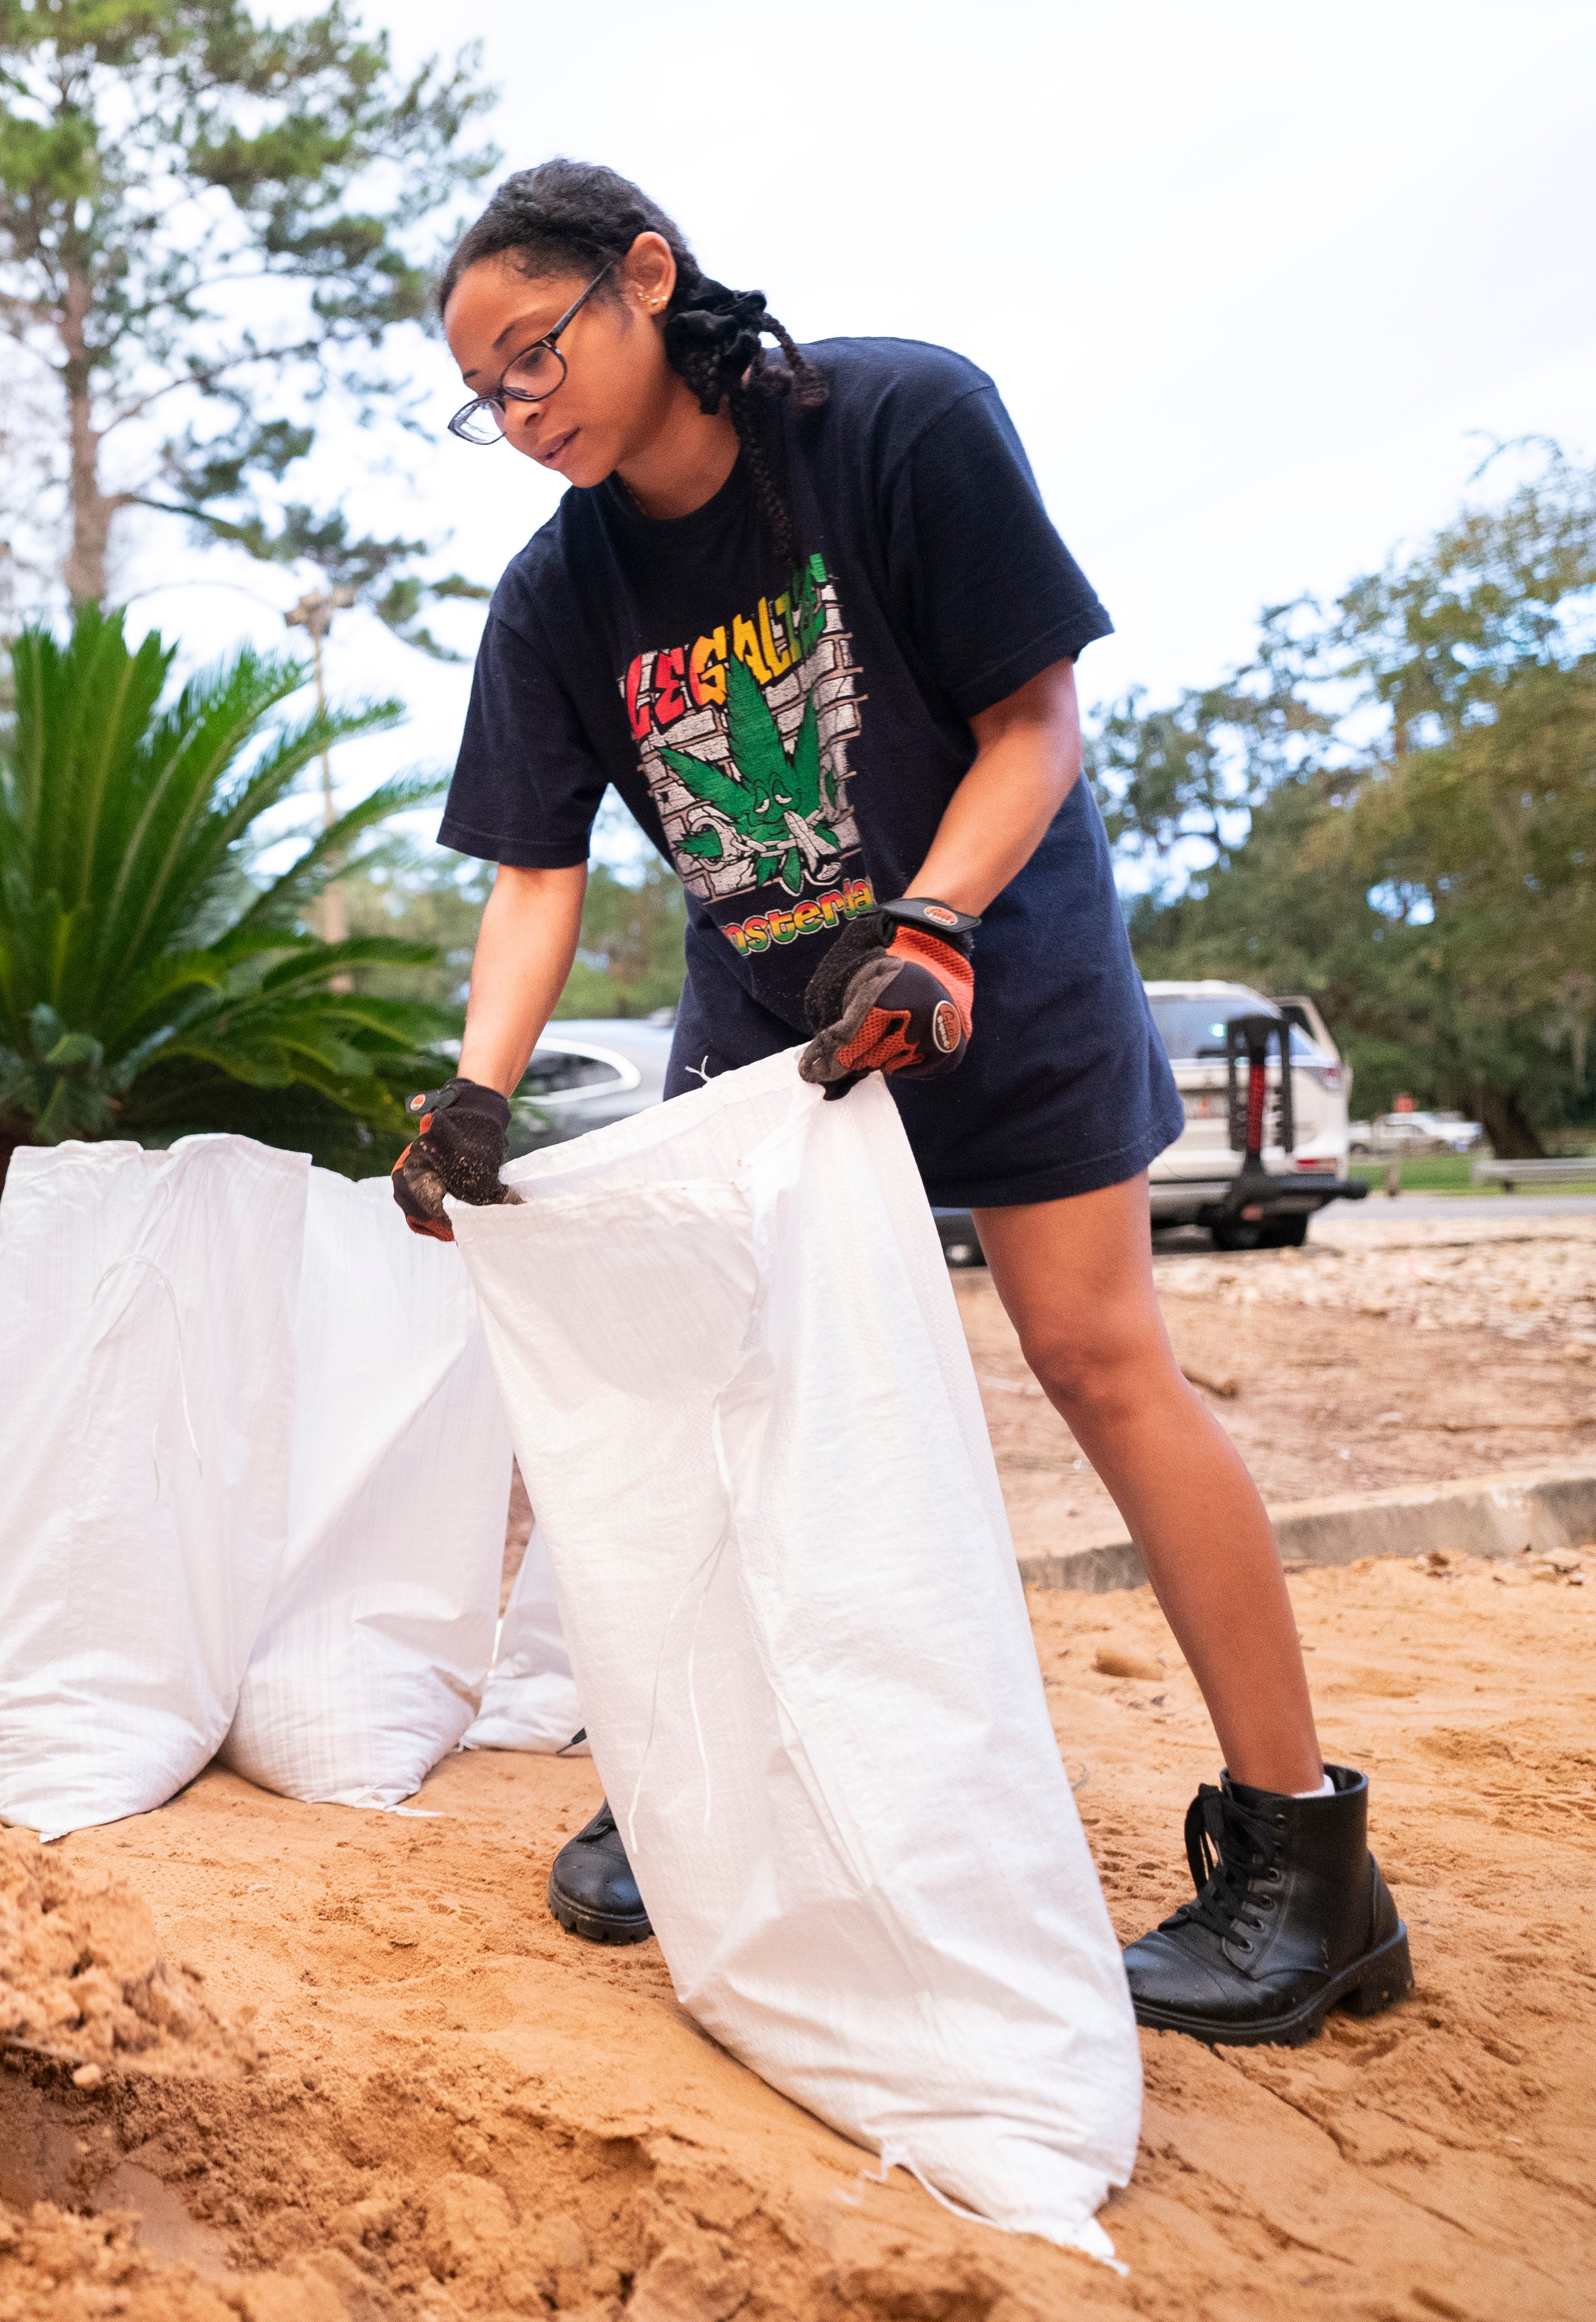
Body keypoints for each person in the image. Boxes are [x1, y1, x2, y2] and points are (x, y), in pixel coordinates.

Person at [393, 160, 1409, 2048]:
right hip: (772, 1038)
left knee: (1100, 1358)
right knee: (731, 1401)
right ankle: (715, 1775)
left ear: (644, 276)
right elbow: (537, 873)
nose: (527, 417)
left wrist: (933, 927)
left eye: (539, 357)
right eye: (491, 400)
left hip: (990, 985)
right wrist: (474, 1089)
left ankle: (1305, 1870)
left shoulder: (895, 425)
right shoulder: (558, 593)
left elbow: (1037, 724)